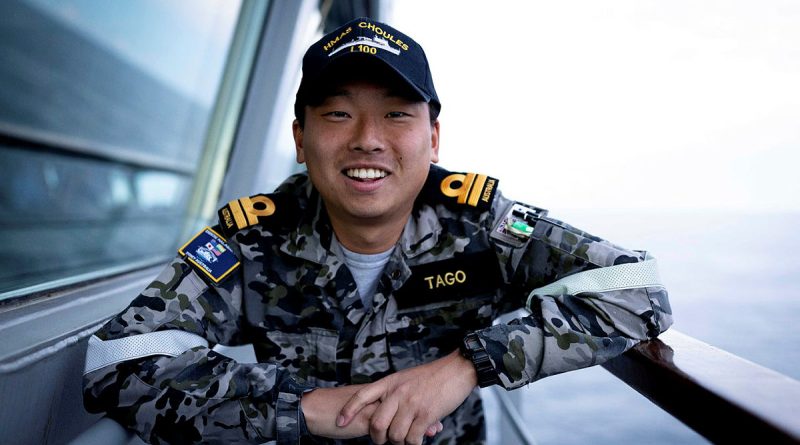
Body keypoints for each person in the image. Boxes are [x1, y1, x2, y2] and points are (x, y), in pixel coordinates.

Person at [82, 17, 672, 445]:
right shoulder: (251, 239)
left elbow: (639, 286)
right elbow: (114, 360)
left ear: (433, 139)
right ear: (299, 138)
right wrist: (303, 408)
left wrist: (466, 366)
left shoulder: (480, 225)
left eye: (396, 113)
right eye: (338, 113)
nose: (367, 137)